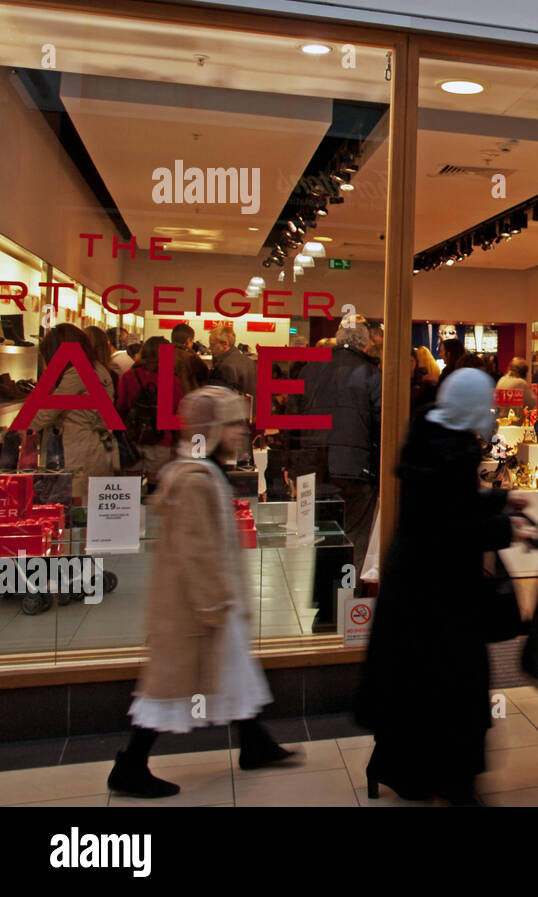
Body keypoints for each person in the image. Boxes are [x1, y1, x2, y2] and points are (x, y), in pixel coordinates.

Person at [106, 386, 297, 798]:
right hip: (195, 604)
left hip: (205, 600)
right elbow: (196, 551)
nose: (240, 433)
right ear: (210, 429)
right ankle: (131, 763)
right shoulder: (196, 480)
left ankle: (254, 742)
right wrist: (214, 602)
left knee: (231, 672)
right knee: (170, 685)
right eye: (231, 424)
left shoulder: (204, 471)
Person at [355, 369, 533, 805]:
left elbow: (448, 506)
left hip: (416, 587)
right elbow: (454, 525)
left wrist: (500, 500)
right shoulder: (452, 450)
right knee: (457, 688)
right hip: (443, 592)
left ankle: (400, 768)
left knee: (416, 682)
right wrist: (507, 529)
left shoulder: (430, 432)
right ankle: (457, 783)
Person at [295, 315, 382, 631]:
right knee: (354, 538)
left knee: (326, 537)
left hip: (316, 466)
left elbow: (295, 415)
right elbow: (381, 426)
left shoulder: (310, 369)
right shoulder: (372, 375)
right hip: (355, 471)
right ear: (364, 342)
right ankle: (349, 610)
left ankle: (325, 608)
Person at [27, 324, 119, 505]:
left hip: (77, 450)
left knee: (75, 508)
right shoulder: (97, 368)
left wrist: (16, 431)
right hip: (92, 448)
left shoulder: (79, 372)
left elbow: (48, 411)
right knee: (86, 507)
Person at [115, 335, 182, 483]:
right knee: (157, 487)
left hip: (133, 438)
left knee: (131, 486)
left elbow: (120, 407)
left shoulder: (129, 376)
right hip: (161, 440)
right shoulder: (172, 379)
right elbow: (177, 412)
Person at [208, 325, 256, 398]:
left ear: (225, 344)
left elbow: (220, 399)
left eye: (212, 344)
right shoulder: (249, 361)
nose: (209, 348)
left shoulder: (225, 366)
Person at [170, 322, 209, 393]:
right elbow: (205, 376)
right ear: (188, 341)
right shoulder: (190, 357)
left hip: (164, 401)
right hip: (186, 399)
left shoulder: (163, 354)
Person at [410, 348, 439, 417]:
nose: (409, 365)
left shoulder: (424, 380)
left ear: (416, 362)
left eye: (411, 361)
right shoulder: (399, 382)